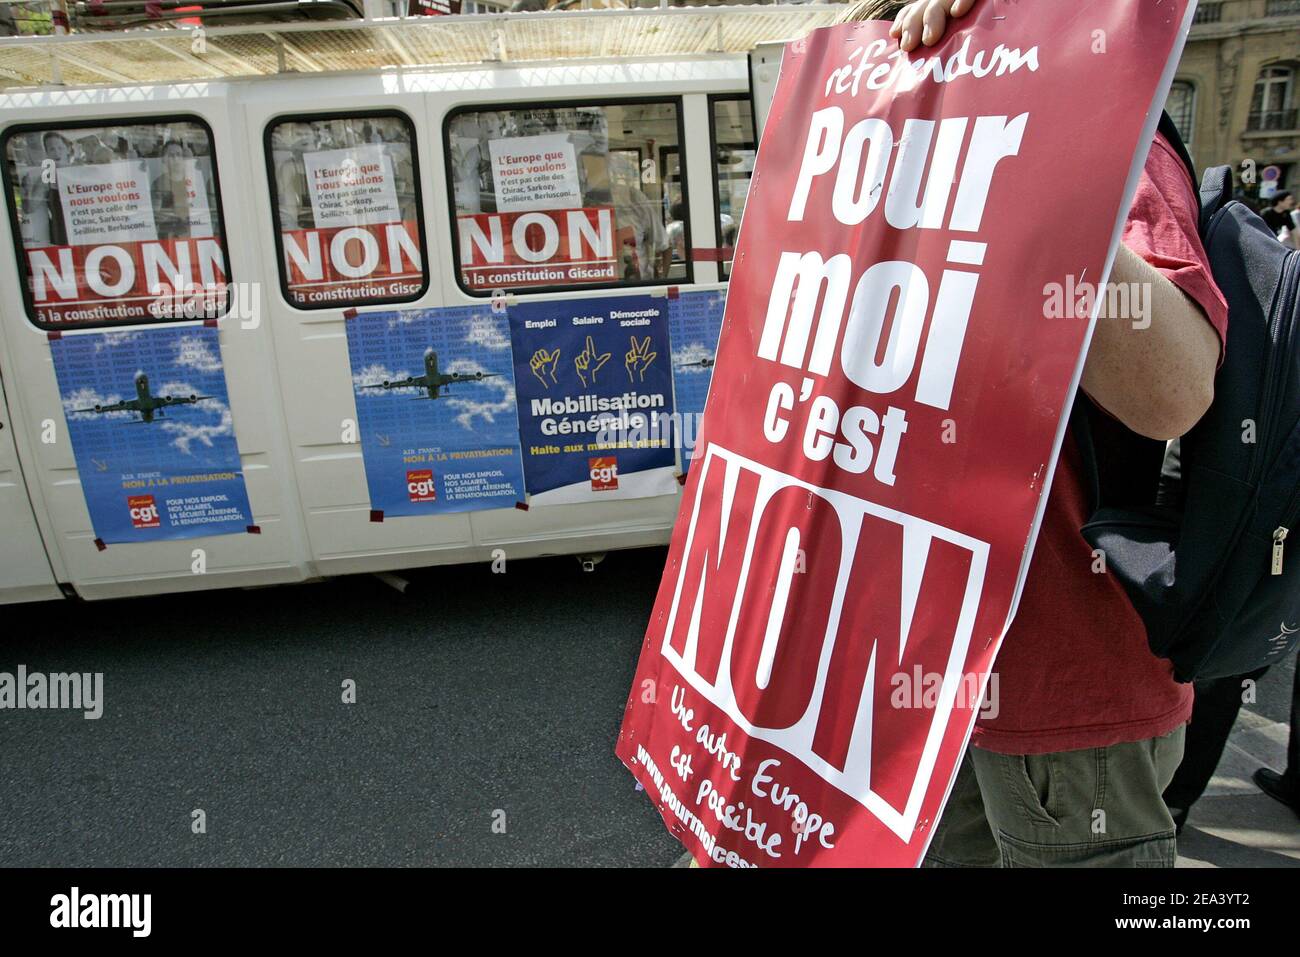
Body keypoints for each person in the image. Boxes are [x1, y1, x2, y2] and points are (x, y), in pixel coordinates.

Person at [840, 0, 1229, 867]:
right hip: (925, 686)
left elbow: (1175, 389)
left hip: (1062, 693)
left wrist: (1016, 142)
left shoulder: (1092, 106)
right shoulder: (884, 114)